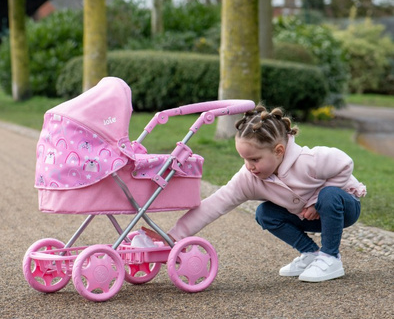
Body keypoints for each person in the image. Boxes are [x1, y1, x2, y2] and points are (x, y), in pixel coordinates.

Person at [145, 104, 366, 282]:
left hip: (343, 209)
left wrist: (317, 201)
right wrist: (172, 237)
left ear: (279, 151)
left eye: (254, 159)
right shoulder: (250, 178)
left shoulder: (308, 161)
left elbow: (345, 163)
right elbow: (215, 204)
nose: (249, 166)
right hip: (306, 217)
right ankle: (311, 254)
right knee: (265, 213)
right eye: (244, 159)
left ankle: (331, 258)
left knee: (329, 197)